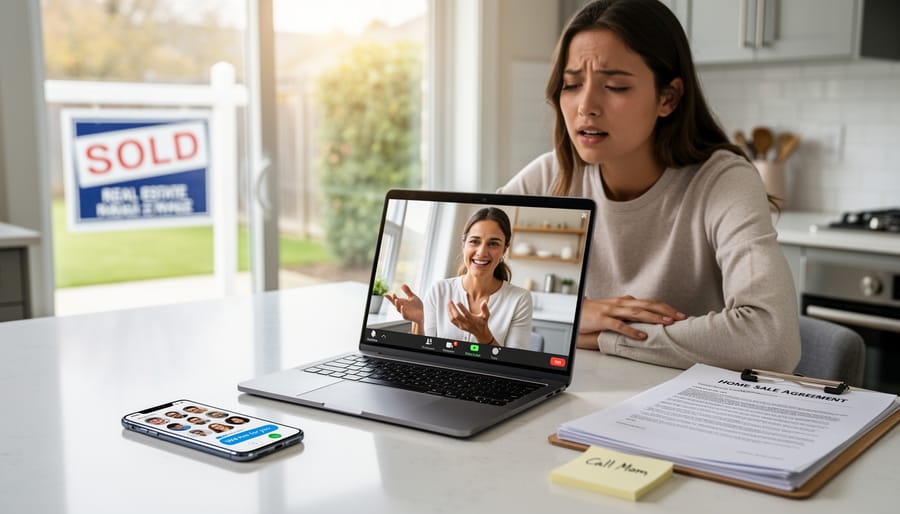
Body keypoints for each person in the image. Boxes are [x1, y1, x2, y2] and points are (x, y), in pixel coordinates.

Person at [498, 0, 800, 372]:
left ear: (667, 98)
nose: (586, 106)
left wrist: (605, 336)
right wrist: (574, 313)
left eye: (615, 86)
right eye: (572, 85)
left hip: (688, 399)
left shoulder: (724, 182)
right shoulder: (551, 175)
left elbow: (772, 340)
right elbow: (460, 287)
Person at [385, 207, 534, 349]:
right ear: (464, 245)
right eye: (474, 241)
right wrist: (419, 322)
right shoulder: (439, 290)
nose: (482, 252)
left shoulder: (520, 299)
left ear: (504, 249)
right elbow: (424, 355)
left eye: (493, 244)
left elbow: (513, 364)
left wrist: (483, 335)